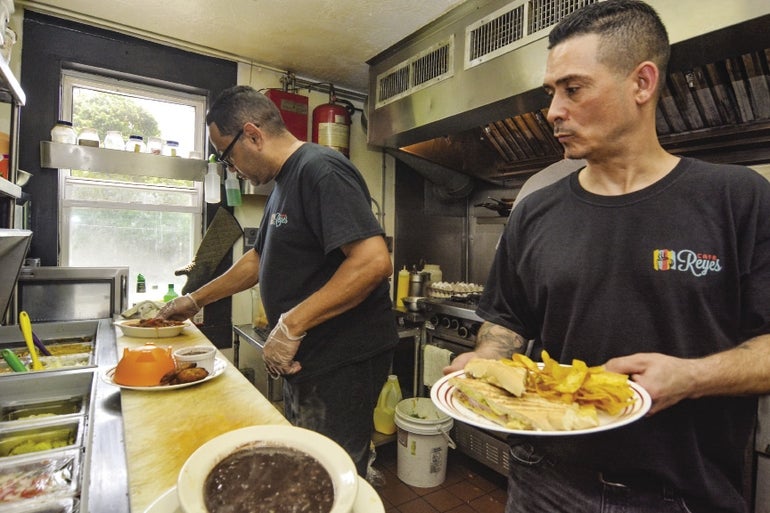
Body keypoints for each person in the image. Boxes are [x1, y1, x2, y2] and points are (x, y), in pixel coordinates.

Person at [445, 2, 770, 512]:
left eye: (572, 89)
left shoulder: (738, 199)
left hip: (681, 495)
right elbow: (505, 323)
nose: (552, 110)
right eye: (551, 93)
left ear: (641, 83)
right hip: (542, 484)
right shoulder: (536, 210)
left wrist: (692, 377)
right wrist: (485, 361)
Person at [158, 85, 399, 476]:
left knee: (332, 469)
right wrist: (196, 299)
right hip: (310, 355)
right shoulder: (283, 184)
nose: (230, 167)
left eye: (226, 155)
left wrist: (290, 325)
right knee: (308, 460)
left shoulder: (321, 169)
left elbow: (372, 262)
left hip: (344, 357)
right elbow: (257, 259)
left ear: (252, 134)